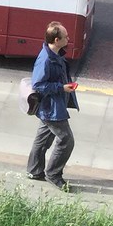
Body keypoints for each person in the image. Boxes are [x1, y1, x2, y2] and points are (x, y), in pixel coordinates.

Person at [26, 20, 80, 191]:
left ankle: (34, 171)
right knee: (66, 140)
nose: (68, 39)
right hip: (52, 108)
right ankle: (53, 174)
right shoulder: (46, 60)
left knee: (43, 138)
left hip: (53, 105)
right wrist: (61, 88)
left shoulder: (55, 54)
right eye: (66, 37)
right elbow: (38, 85)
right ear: (57, 40)